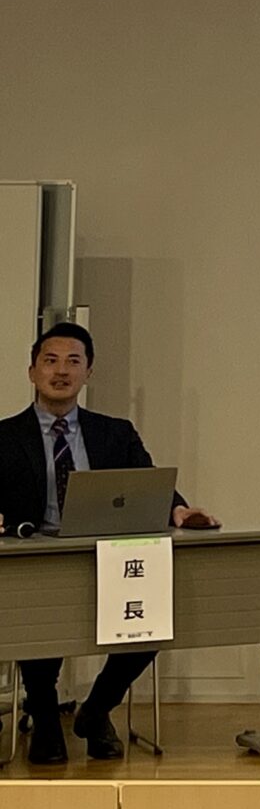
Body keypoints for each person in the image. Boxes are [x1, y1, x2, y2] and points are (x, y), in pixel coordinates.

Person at [3, 322, 218, 764]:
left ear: (89, 372)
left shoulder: (115, 432)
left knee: (150, 617)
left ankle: (97, 709)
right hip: (36, 557)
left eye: (73, 361)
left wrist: (178, 510)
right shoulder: (4, 436)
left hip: (109, 557)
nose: (61, 371)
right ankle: (44, 715)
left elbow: (147, 483)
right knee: (39, 618)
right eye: (50, 361)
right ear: (32, 371)